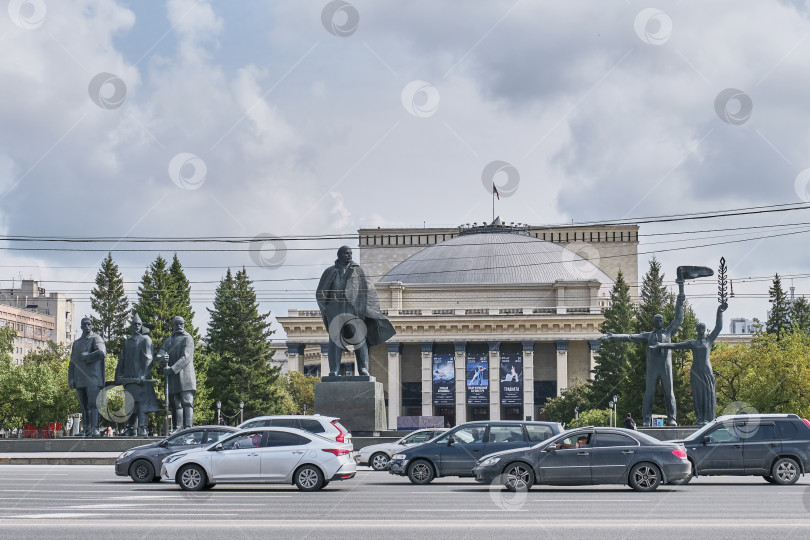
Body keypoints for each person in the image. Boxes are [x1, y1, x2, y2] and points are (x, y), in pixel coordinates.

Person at [602, 279, 685, 426]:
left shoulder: (668, 333)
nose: (659, 322)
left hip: (666, 369)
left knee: (669, 393)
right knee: (649, 394)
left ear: (663, 322)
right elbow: (630, 337)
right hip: (653, 369)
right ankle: (646, 420)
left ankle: (672, 419)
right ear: (654, 322)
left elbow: (678, 319)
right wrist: (613, 336)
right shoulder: (648, 335)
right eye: (656, 320)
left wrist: (680, 300)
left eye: (660, 320)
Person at [316, 246, 396, 377]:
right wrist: (327, 309)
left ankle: (363, 369)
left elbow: (368, 292)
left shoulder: (358, 271)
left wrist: (365, 310)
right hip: (335, 311)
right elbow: (321, 293)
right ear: (339, 255)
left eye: (350, 253)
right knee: (335, 340)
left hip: (353, 311)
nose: (349, 255)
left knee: (359, 339)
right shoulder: (330, 271)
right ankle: (334, 370)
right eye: (346, 253)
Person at [651, 302, 727, 425]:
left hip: (707, 371)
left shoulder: (709, 340)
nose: (701, 330)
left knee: (708, 394)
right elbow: (675, 345)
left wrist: (719, 312)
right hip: (695, 372)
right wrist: (661, 345)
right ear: (697, 330)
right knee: (698, 396)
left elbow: (718, 327)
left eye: (703, 328)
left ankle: (708, 419)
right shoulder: (693, 343)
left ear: (704, 329)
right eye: (699, 328)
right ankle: (700, 418)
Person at [115, 314, 159, 436]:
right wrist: (118, 376)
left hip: (141, 379)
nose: (137, 326)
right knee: (130, 403)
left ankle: (142, 427)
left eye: (139, 324)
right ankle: (131, 428)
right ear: (131, 326)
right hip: (129, 379)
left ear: (141, 326)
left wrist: (143, 375)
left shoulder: (145, 339)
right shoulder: (128, 342)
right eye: (134, 324)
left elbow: (148, 359)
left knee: (142, 404)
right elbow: (122, 359)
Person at [68, 318, 106, 437]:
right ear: (81, 326)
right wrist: (71, 379)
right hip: (79, 379)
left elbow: (102, 352)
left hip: (93, 379)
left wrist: (88, 357)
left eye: (88, 324)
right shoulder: (77, 343)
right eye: (84, 324)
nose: (86, 326)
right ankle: (85, 429)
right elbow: (72, 363)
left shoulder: (96, 338)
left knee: (93, 404)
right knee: (84, 406)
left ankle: (94, 429)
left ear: (92, 326)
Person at [157, 316, 196, 431]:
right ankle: (177, 428)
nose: (179, 326)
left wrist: (172, 368)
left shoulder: (188, 338)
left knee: (187, 402)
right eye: (176, 324)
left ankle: (188, 428)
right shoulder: (169, 340)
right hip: (174, 378)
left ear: (184, 324)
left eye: (181, 324)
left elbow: (186, 357)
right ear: (173, 326)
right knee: (175, 404)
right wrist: (161, 357)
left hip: (185, 376)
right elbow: (160, 353)